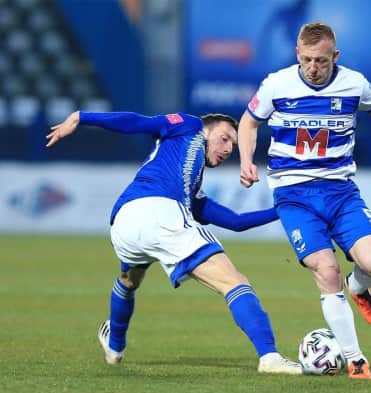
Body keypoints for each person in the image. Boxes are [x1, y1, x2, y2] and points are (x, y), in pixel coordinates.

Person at [238, 22, 371, 379]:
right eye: (307, 60)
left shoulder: (353, 84)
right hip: (294, 196)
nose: (313, 67)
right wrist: (246, 160)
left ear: (335, 57)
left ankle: (358, 288)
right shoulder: (277, 84)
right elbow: (249, 123)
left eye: (322, 61)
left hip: (340, 192)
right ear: (297, 54)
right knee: (326, 271)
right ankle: (355, 359)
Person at [46, 110, 302, 375]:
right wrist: (81, 117)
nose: (228, 149)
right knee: (235, 282)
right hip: (159, 211)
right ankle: (269, 356)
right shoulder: (190, 126)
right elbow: (138, 122)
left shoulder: (191, 189)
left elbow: (236, 222)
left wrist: (283, 209)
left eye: (233, 145)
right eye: (225, 138)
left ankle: (114, 347)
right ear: (207, 130)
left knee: (129, 279)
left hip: (124, 222)